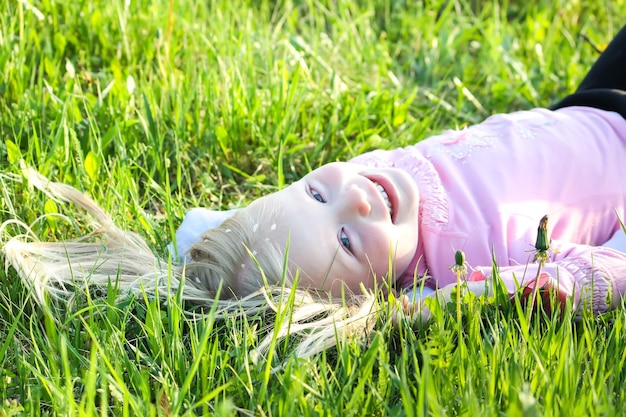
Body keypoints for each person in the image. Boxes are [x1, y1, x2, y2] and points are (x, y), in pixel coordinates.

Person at [4, 26, 626, 357]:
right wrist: (452, 305)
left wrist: (198, 254)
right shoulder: (459, 271)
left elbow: (221, 230)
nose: (352, 199)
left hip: (587, 105)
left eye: (314, 192)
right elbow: (606, 272)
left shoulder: (368, 191)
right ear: (375, 298)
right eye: (350, 242)